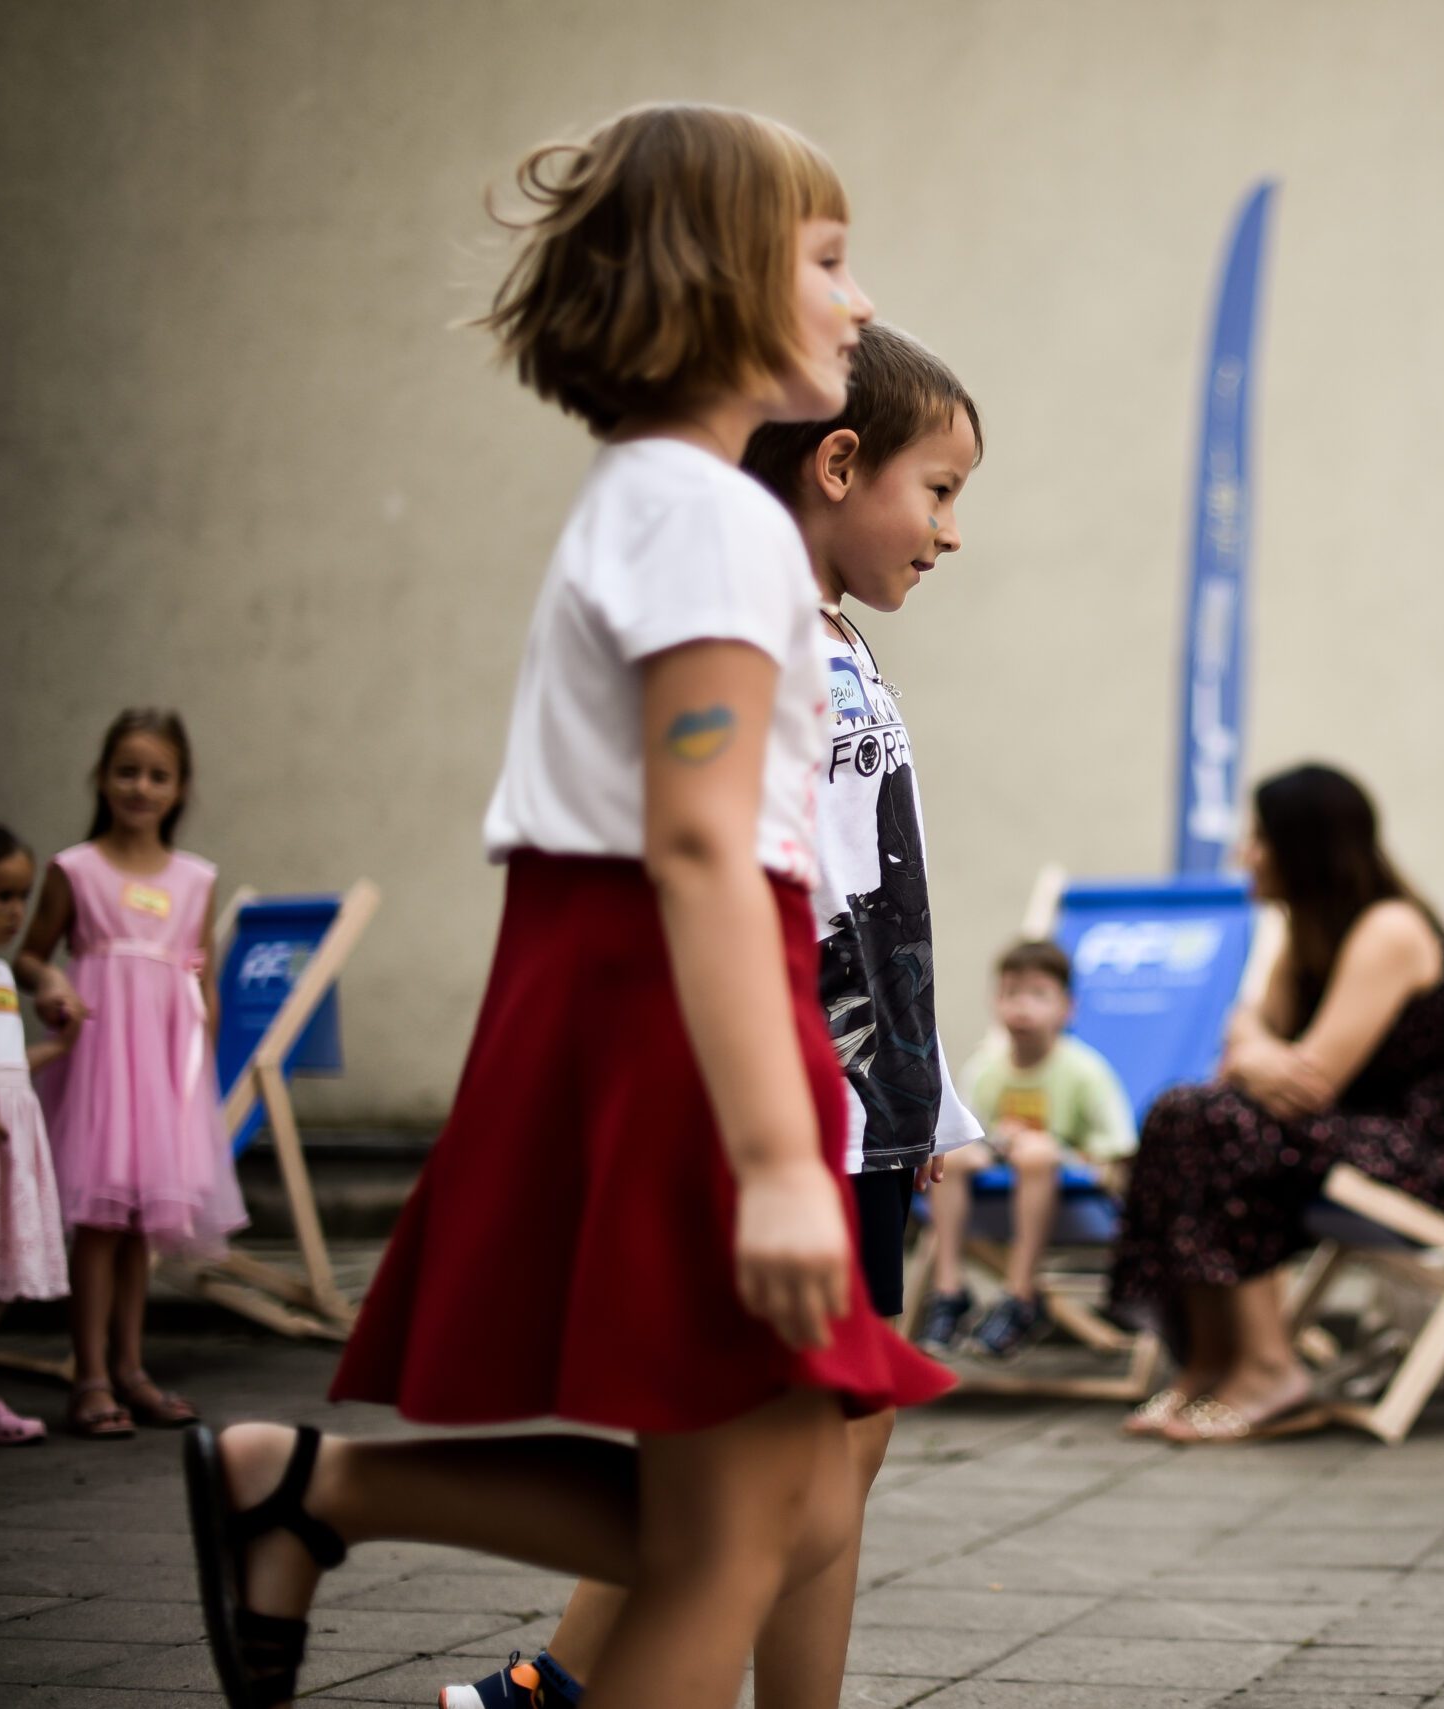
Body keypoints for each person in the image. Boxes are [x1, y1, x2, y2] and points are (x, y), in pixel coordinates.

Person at [174, 103, 950, 1709]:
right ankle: (302, 1490)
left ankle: (304, 1490)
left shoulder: (656, 498)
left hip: (638, 989)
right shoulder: (712, 521)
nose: (858, 301)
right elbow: (704, 847)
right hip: (679, 1008)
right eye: (826, 260)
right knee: (743, 1525)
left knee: (775, 1500)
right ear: (723, 278)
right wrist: (772, 1158)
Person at [444, 319, 992, 1709]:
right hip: (795, 1097)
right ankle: (552, 1674)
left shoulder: (838, 638)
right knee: (775, 1460)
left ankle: (555, 1681)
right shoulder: (756, 633)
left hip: (866, 1103)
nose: (950, 532)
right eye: (939, 491)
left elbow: (878, 885)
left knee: (822, 1453)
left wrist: (923, 1094)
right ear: (840, 463)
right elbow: (745, 882)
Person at [1108, 763, 1444, 1443]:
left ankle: (1270, 1367)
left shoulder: (1389, 927)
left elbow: (1308, 1082)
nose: (1247, 854)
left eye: (1260, 839)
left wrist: (1250, 1046)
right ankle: (1211, 1361)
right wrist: (1251, 1047)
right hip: (1363, 1138)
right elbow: (1242, 1054)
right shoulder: (1305, 931)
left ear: (1305, 848)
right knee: (1183, 1113)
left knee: (1221, 1122)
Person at [17, 709, 244, 1438]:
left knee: (142, 1220)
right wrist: (49, 985)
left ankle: (131, 1366)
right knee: (99, 1221)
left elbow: (200, 965)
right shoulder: (75, 868)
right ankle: (88, 1374)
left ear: (180, 788)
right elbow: (29, 953)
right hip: (101, 1064)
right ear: (101, 777)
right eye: (127, 771)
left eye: (158, 774)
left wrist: (202, 1034)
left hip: (165, 1070)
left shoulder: (195, 877)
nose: (141, 786)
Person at [922, 938, 1137, 1358]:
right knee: (953, 1153)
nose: (1022, 1006)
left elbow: (1116, 1152)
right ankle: (948, 1289)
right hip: (998, 1198)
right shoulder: (986, 1069)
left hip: (1074, 1202)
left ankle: (1021, 1296)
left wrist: (1052, 1150)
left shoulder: (1084, 1072)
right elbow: (974, 1137)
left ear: (1066, 1008)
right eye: (1010, 993)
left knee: (1036, 1152)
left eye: (1038, 995)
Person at [0, 817, 75, 1446]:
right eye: (1, 895)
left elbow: (4, 1064)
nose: (18, 912)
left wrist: (58, 1046)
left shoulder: (1, 976)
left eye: (22, 897)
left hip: (4, 1151)